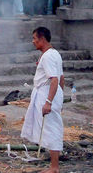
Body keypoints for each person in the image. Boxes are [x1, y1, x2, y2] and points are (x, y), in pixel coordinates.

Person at [21, 27, 64, 173]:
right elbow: (61, 78)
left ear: (42, 39)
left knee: (51, 129)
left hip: (47, 93)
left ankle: (54, 167)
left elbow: (55, 80)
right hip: (51, 93)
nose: (33, 41)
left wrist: (49, 102)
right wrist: (59, 98)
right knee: (48, 128)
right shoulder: (54, 53)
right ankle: (53, 165)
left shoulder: (48, 57)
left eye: (35, 38)